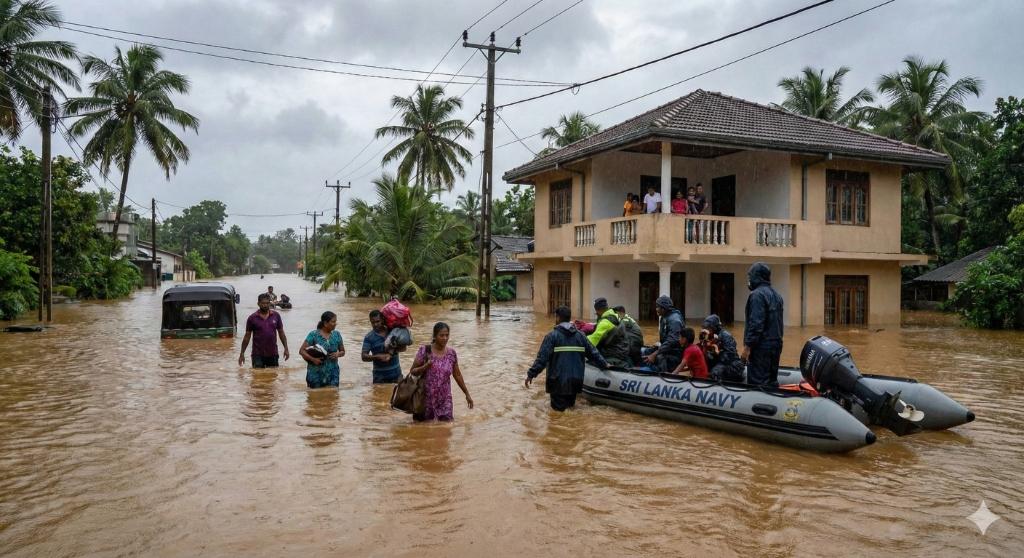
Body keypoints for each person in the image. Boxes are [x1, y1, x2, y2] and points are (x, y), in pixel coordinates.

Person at [526, 306, 608, 411]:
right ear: (569, 318)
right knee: (570, 410)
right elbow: (594, 353)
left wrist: (531, 374)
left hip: (558, 383)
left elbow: (542, 359)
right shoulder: (581, 336)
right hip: (575, 381)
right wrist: (605, 364)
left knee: (558, 415)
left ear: (558, 318)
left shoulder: (552, 336)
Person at [409, 322, 473, 421]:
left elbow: (457, 375)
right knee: (425, 430)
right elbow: (413, 371)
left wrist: (467, 394)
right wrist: (425, 367)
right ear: (435, 336)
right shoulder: (425, 351)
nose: (445, 338)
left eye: (447, 335)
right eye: (441, 335)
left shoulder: (451, 353)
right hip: (426, 399)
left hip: (445, 400)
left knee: (446, 428)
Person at [742, 262, 785, 386]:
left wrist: (747, 347)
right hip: (776, 345)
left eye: (750, 276)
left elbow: (756, 324)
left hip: (761, 348)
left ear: (757, 277)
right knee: (772, 381)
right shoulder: (777, 295)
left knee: (758, 383)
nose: (749, 280)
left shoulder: (757, 295)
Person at [238, 293, 290, 368]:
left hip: (273, 353)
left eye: (267, 303)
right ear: (258, 304)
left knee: (272, 376)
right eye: (263, 303)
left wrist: (286, 348)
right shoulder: (252, 318)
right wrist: (242, 353)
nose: (265, 305)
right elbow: (247, 337)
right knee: (257, 378)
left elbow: (281, 333)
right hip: (257, 355)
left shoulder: (276, 316)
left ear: (270, 303)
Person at [299, 311, 345, 388]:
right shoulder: (313, 335)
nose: (335, 324)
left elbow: (343, 351)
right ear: (325, 323)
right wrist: (313, 359)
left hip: (333, 373)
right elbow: (301, 351)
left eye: (335, 321)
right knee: (315, 397)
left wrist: (338, 354)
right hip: (315, 373)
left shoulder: (337, 334)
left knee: (333, 397)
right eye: (333, 322)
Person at [643, 295, 684, 372]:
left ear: (663, 308)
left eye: (657, 307)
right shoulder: (664, 317)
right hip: (665, 351)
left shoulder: (675, 321)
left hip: (673, 356)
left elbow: (672, 341)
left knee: (645, 368)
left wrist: (655, 354)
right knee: (644, 351)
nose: (656, 309)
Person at [586, 298, 631, 368]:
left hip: (615, 353)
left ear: (597, 310)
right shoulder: (615, 315)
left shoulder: (605, 322)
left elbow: (592, 341)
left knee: (591, 357)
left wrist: (579, 340)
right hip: (623, 349)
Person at [361, 309, 403, 384]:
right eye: (372, 322)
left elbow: (403, 348)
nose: (375, 324)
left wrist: (391, 352)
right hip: (379, 378)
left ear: (383, 320)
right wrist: (378, 357)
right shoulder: (369, 337)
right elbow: (363, 356)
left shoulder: (392, 332)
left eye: (377, 321)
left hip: (397, 375)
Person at [701, 314, 743, 382]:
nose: (706, 330)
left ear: (714, 327)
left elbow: (730, 354)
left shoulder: (726, 336)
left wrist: (717, 353)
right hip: (719, 361)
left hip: (731, 363)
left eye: (708, 328)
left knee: (716, 372)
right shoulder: (709, 336)